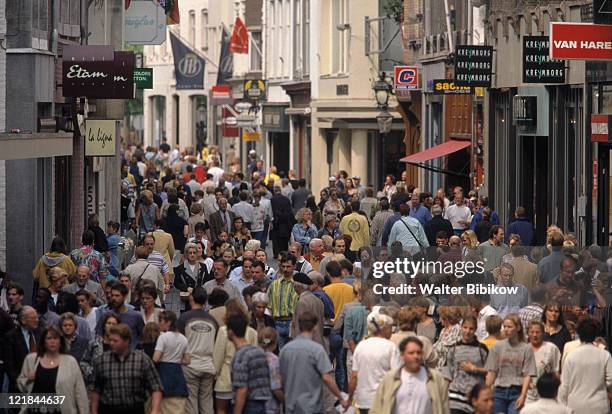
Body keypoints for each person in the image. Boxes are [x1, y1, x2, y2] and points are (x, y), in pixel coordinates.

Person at [279, 311, 350, 413]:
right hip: (311, 406)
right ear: (315, 326)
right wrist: (341, 397)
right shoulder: (317, 350)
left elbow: (280, 378)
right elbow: (327, 378)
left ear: (299, 325)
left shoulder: (286, 349)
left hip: (291, 407)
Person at [91, 323, 163, 414]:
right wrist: (93, 411)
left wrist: (155, 410)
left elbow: (156, 387)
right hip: (109, 408)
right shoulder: (102, 361)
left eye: (115, 341)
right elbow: (96, 389)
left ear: (126, 341)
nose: (111, 343)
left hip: (134, 408)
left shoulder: (141, 360)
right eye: (110, 340)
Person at [18, 325, 88, 414]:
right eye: (49, 338)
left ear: (61, 341)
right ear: (43, 341)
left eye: (55, 338)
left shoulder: (70, 362)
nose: (52, 341)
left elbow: (80, 392)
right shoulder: (31, 360)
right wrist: (27, 379)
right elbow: (21, 385)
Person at [370, 336, 450, 414]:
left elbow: (444, 408)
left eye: (418, 352)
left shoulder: (435, 378)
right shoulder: (390, 378)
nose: (416, 356)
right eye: (411, 353)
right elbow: (377, 408)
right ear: (402, 355)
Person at [348, 313, 402, 412]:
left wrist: (349, 397)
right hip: (383, 401)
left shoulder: (360, 346)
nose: (391, 331)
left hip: (363, 401)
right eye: (390, 328)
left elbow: (354, 376)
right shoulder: (390, 347)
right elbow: (396, 376)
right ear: (383, 329)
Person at [177, 288, 219, 414]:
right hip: (208, 366)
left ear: (191, 298)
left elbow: (179, 342)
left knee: (191, 405)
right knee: (207, 404)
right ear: (205, 301)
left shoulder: (184, 318)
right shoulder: (213, 320)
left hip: (190, 366)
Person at [212, 299, 258, 414]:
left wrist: (214, 376)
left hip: (225, 378)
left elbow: (218, 358)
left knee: (221, 410)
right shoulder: (252, 332)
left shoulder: (224, 331)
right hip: (246, 380)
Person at [558, 317, 612, 413]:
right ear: (596, 334)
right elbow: (610, 380)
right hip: (599, 405)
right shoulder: (605, 354)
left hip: (575, 405)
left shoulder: (571, 356)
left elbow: (564, 385)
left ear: (579, 333)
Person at [485, 314, 536, 414]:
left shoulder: (526, 348)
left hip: (516, 391)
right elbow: (492, 372)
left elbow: (527, 375)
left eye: (509, 327)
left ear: (518, 328)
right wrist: (485, 392)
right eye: (504, 327)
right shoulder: (497, 346)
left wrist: (523, 395)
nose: (506, 329)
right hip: (499, 390)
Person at [441, 316, 489, 413]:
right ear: (461, 328)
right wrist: (442, 397)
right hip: (455, 394)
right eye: (465, 327)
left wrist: (474, 369)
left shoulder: (482, 349)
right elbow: (447, 374)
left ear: (475, 330)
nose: (467, 331)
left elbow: (491, 370)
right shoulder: (453, 348)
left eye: (471, 329)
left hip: (474, 394)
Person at [227, 313, 272, 414]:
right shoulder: (259, 352)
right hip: (263, 403)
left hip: (248, 405)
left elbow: (242, 389)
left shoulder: (240, 356)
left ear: (230, 332)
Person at [153, 310, 190, 413]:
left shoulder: (163, 337)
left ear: (168, 322)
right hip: (178, 373)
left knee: (163, 406)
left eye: (161, 320)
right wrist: (177, 359)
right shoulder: (183, 338)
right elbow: (187, 360)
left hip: (164, 372)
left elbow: (156, 358)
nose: (159, 323)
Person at [80, 312, 121, 391]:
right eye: (109, 323)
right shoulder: (94, 343)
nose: (111, 326)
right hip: (94, 386)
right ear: (104, 326)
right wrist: (92, 373)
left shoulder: (121, 346)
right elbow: (83, 362)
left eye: (114, 324)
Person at [4, 306, 41, 392]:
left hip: (39, 385)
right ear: (23, 320)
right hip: (19, 386)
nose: (37, 320)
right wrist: (19, 380)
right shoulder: (11, 337)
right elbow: (9, 363)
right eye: (33, 318)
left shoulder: (40, 333)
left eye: (37, 317)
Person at [267, 252, 299, 349]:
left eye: (288, 266)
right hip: (277, 323)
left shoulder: (299, 285)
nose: (285, 269)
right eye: (283, 266)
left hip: (293, 323)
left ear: (294, 266)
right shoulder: (274, 284)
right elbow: (268, 304)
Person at [98, 282, 144, 349]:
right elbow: (99, 335)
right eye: (112, 295)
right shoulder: (106, 316)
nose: (113, 298)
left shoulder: (136, 316)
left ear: (124, 296)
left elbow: (142, 337)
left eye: (117, 296)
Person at [524, 320, 560, 405]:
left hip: (547, 394)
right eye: (532, 332)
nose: (534, 335)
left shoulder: (551, 348)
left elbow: (556, 372)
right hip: (528, 395)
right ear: (528, 334)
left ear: (543, 333)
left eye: (537, 332)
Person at [174, 243, 213, 311]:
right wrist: (186, 288)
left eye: (194, 253)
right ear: (186, 254)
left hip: (200, 298)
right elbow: (176, 283)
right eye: (190, 253)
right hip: (186, 299)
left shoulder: (203, 266)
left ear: (197, 254)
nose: (192, 255)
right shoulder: (180, 268)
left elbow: (207, 281)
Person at [258, 328, 284, 414]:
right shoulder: (274, 360)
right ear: (275, 342)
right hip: (270, 406)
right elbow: (275, 387)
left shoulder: (253, 356)